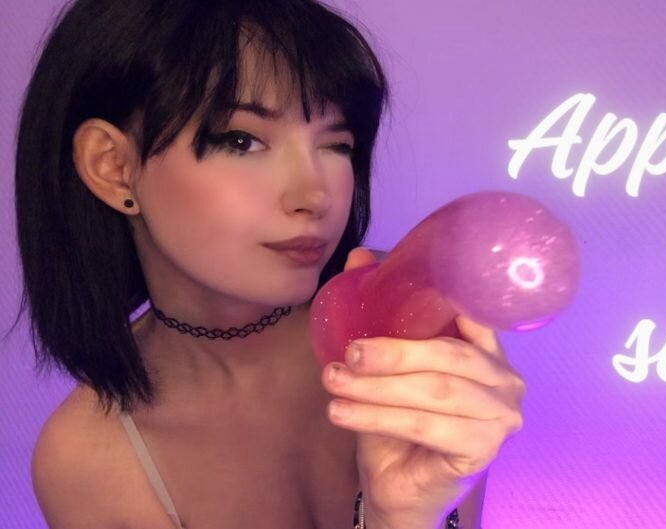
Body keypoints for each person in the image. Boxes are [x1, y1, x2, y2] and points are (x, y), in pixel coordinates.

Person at [15, 1, 526, 528]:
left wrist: (415, 507)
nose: (313, 196)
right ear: (114, 167)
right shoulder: (88, 459)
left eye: (337, 144)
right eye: (242, 140)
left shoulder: (398, 319)